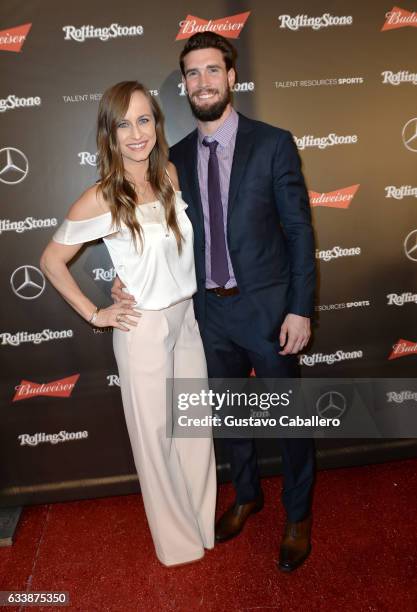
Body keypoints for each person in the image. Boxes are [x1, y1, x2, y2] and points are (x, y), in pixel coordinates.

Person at [113, 32, 316, 572]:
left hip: (271, 312)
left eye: (211, 70)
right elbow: (152, 236)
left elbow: (298, 231)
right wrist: (124, 283)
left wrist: (300, 308)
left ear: (231, 77)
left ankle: (298, 516)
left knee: (290, 422)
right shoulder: (172, 158)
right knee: (231, 419)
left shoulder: (272, 143)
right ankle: (247, 495)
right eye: (192, 73)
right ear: (184, 86)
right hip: (207, 316)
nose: (202, 82)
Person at [40, 81, 216, 567]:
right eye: (124, 124)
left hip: (186, 320)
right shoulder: (99, 197)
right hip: (142, 329)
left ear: (157, 125)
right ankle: (178, 545)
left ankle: (202, 527)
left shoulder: (171, 176)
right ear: (110, 134)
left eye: (145, 120)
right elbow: (52, 262)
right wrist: (97, 313)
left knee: (195, 431)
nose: (137, 133)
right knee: (155, 442)